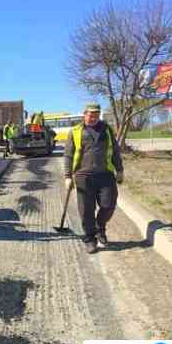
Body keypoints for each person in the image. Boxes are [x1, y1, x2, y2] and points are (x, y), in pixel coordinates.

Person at [63, 103, 124, 254]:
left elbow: (115, 151)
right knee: (86, 211)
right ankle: (90, 239)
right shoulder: (75, 131)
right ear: (84, 114)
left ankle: (100, 227)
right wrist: (67, 176)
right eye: (90, 115)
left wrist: (120, 170)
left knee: (108, 204)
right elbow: (68, 155)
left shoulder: (107, 129)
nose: (93, 118)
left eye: (96, 115)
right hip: (83, 176)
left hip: (105, 174)